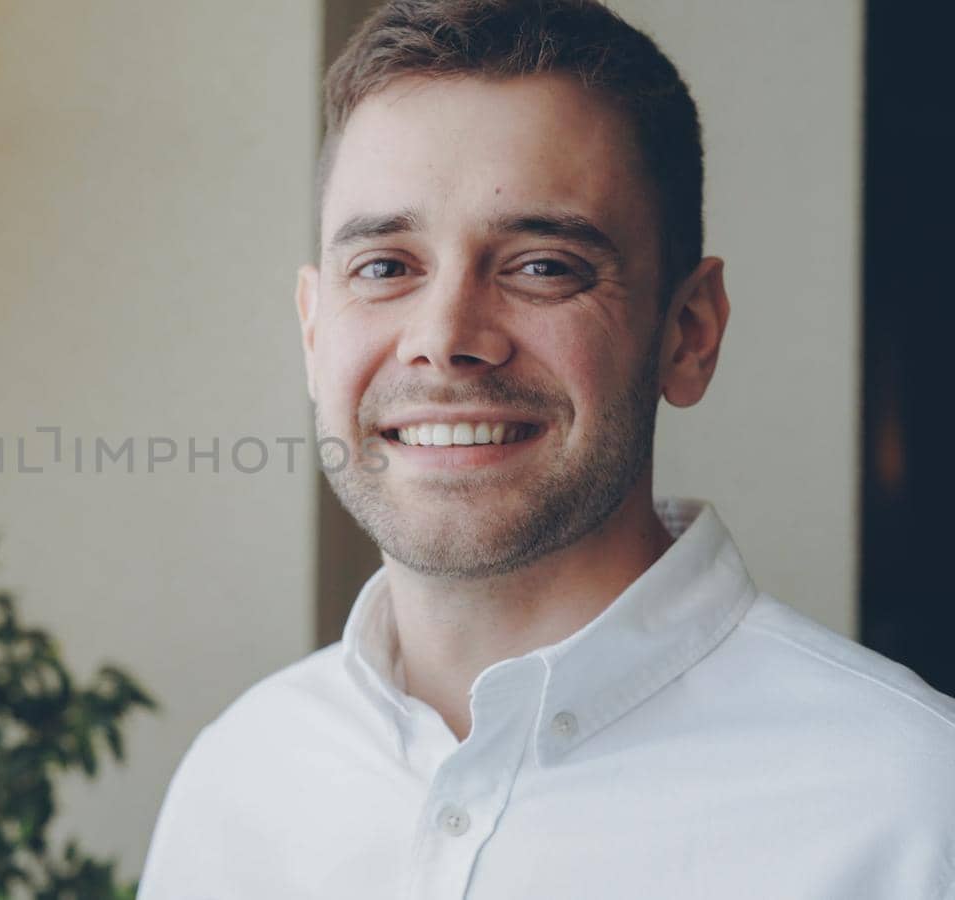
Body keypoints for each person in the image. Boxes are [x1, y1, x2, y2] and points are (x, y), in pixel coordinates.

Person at [136, 1, 955, 897]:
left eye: (542, 265)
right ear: (312, 331)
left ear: (688, 333)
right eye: (384, 267)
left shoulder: (912, 806)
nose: (445, 337)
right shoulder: (237, 782)